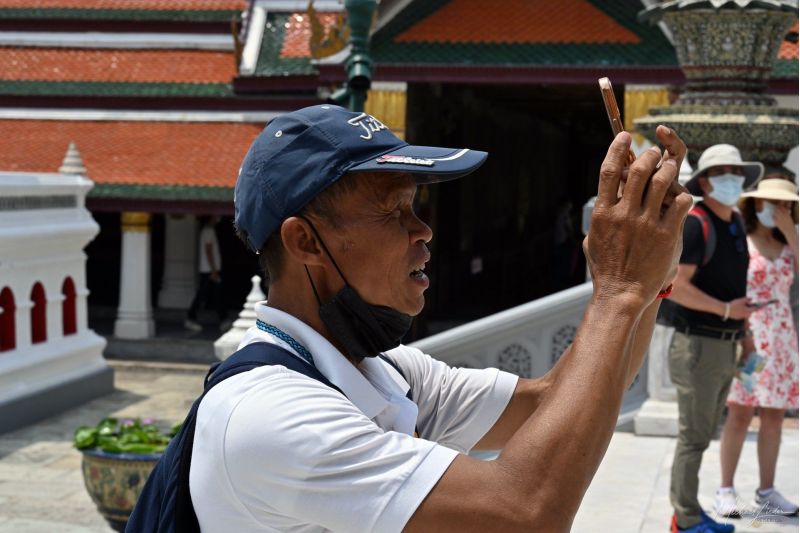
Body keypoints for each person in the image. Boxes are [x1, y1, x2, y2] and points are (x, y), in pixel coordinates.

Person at [189, 104, 691, 532]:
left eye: (416, 207)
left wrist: (651, 280)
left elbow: (557, 401)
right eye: (393, 211)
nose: (423, 230)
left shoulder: (387, 372)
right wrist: (620, 291)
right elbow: (523, 513)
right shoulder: (270, 414)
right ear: (305, 241)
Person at [662, 144, 763, 533]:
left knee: (704, 434)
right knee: (693, 438)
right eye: (721, 173)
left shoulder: (735, 222)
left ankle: (690, 513)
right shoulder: (695, 223)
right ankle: (685, 520)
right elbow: (677, 286)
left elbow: (735, 290)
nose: (731, 179)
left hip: (726, 343)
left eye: (736, 172)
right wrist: (725, 311)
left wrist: (745, 335)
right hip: (698, 345)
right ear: (704, 182)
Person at [715, 176, 799, 519]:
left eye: (786, 204)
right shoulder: (742, 239)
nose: (780, 209)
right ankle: (725, 489)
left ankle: (767, 490)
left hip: (782, 339)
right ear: (757, 203)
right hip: (752, 335)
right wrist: (743, 334)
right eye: (773, 203)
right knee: (740, 411)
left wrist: (791, 233)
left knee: (774, 414)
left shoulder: (789, 243)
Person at [185, 215, 228, 332]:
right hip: (209, 271)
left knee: (216, 295)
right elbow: (208, 251)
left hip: (210, 270)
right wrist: (213, 271)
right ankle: (191, 318)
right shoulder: (208, 230)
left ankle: (223, 319)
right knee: (204, 295)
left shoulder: (209, 230)